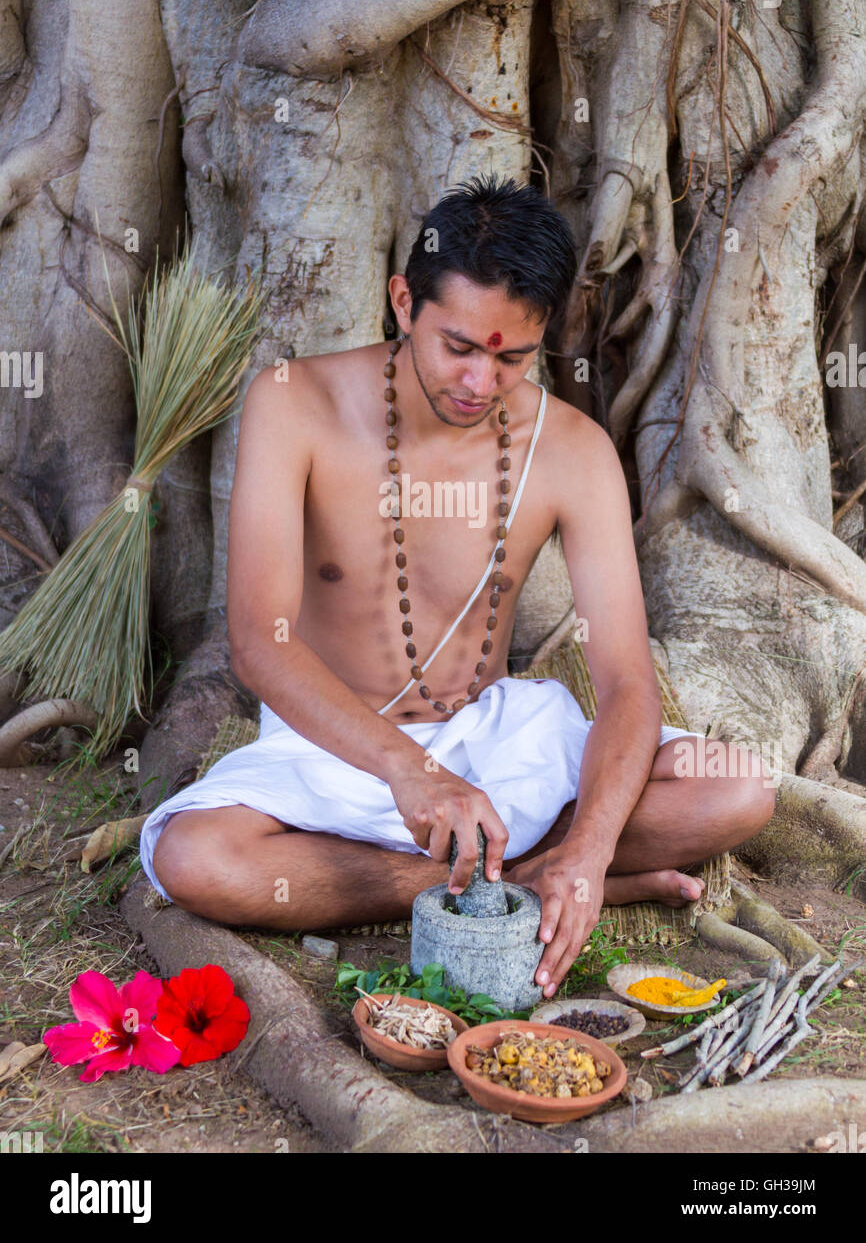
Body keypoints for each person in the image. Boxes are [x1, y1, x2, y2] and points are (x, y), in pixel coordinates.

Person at [140, 174, 775, 999]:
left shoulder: (574, 451)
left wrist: (587, 850)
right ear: (403, 302)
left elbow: (623, 678)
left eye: (512, 356)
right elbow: (261, 646)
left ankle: (541, 872)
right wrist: (413, 774)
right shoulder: (293, 403)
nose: (481, 381)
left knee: (738, 789)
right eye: (460, 347)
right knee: (194, 860)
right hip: (334, 749)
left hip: (497, 745)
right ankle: (505, 885)